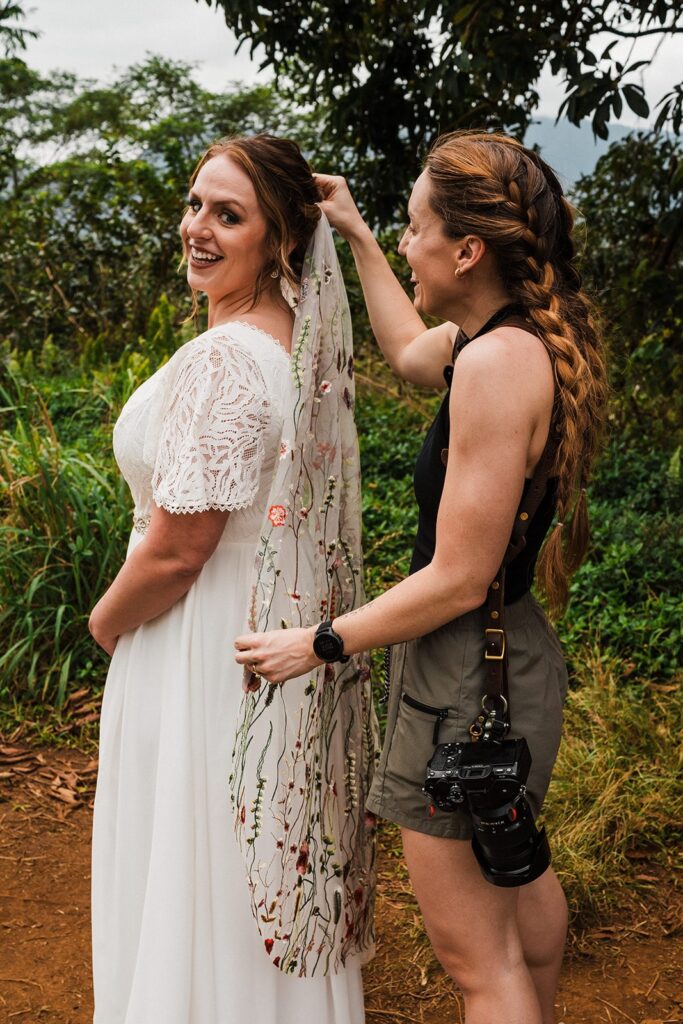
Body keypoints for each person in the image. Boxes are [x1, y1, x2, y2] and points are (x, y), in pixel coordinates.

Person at [234, 130, 608, 1024]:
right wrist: (360, 234)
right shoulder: (509, 339)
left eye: (412, 229)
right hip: (506, 655)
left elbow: (455, 577)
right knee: (518, 895)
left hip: (466, 672)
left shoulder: (492, 364)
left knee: (475, 959)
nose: (407, 245)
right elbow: (407, 354)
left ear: (466, 249)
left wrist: (319, 642)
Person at [88, 133, 377, 1024]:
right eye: (194, 205)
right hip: (254, 630)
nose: (198, 229)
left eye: (228, 214)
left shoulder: (225, 359)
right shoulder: (296, 347)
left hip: (193, 640)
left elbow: (180, 547)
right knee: (233, 857)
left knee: (194, 853)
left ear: (281, 241)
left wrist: (104, 625)